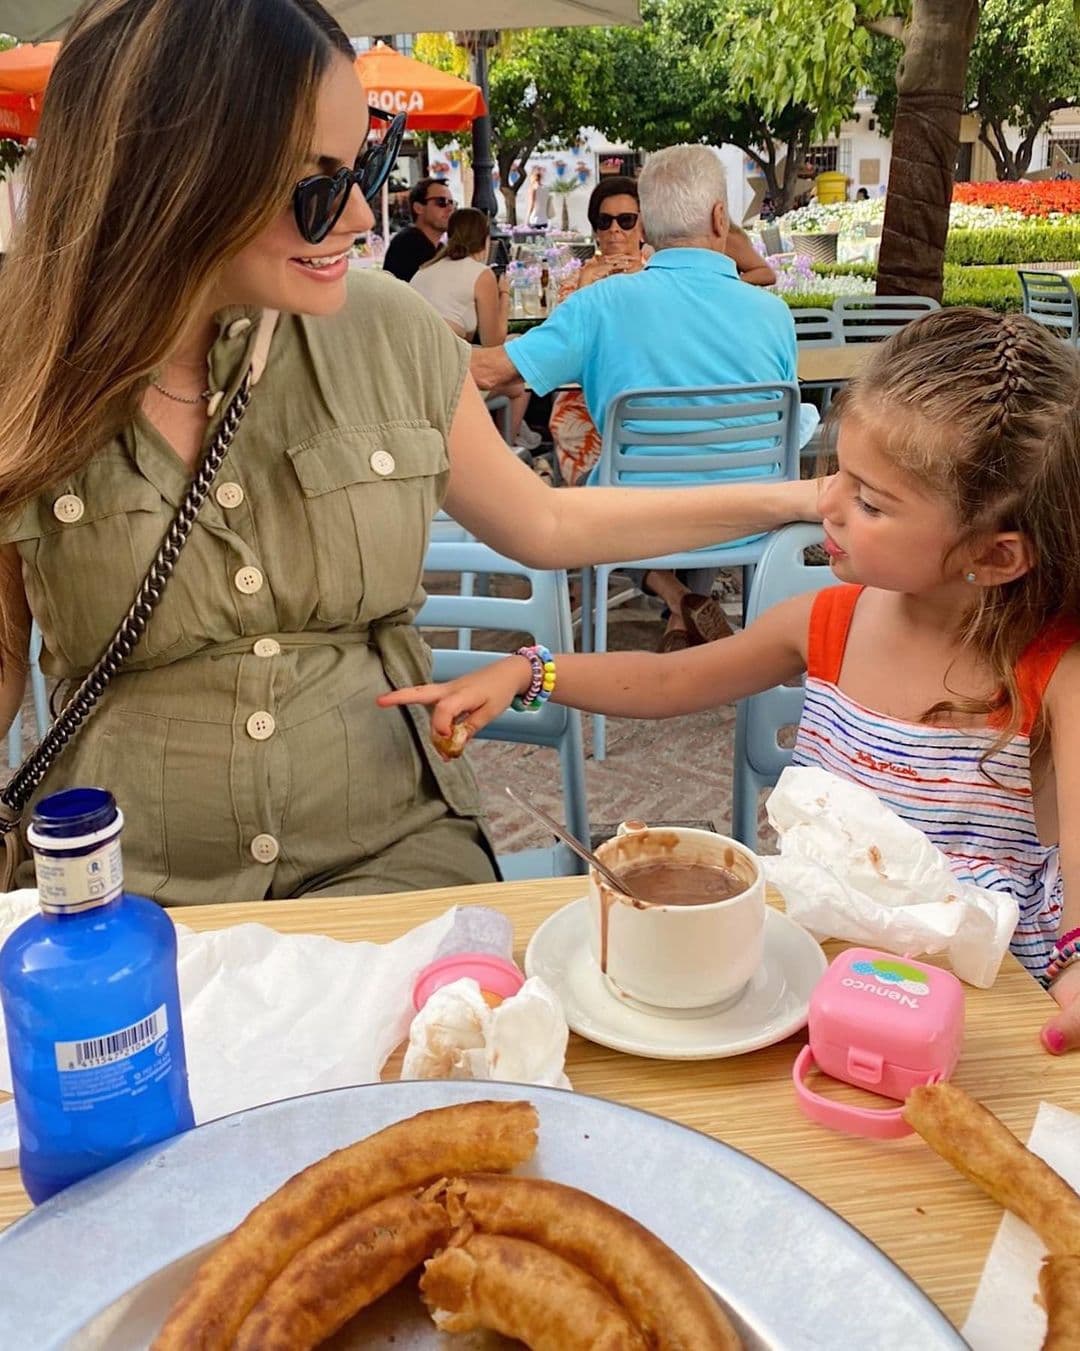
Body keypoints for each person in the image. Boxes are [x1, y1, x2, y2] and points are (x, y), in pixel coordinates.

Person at [0, 0, 821, 906]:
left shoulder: (389, 333)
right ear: (175, 173)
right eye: (314, 180)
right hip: (117, 882)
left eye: (365, 167)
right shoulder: (21, 363)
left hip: (387, 851)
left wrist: (794, 500)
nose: (358, 214)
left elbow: (545, 518)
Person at [385, 307, 1080, 1057]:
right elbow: (667, 679)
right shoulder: (823, 623)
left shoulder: (1052, 671)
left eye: (872, 502)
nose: (829, 504)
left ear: (999, 554)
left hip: (972, 1000)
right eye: (837, 473)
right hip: (804, 975)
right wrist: (533, 670)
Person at [472, 144, 801, 652]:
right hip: (749, 517)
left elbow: (490, 371)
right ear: (719, 217)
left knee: (576, 483)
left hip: (632, 519)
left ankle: (672, 605)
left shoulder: (598, 305)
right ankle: (687, 609)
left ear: (646, 223)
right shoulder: (772, 314)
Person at [549, 177, 777, 488]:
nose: (615, 230)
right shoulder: (576, 285)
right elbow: (561, 352)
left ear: (643, 227)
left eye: (626, 220)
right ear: (596, 229)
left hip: (660, 415)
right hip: (589, 413)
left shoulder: (670, 279)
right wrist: (585, 288)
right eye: (605, 221)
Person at [410, 207, 534, 449]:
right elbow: (493, 344)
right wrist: (504, 293)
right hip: (448, 377)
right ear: (486, 240)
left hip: (418, 374)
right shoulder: (480, 273)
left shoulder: (424, 270)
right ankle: (504, 452)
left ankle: (503, 441)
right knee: (521, 378)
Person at [382, 177, 454, 282]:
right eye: (442, 202)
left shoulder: (439, 248)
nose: (450, 208)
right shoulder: (408, 244)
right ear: (418, 208)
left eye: (452, 203)